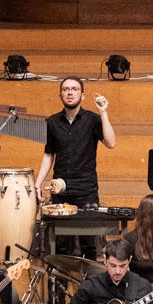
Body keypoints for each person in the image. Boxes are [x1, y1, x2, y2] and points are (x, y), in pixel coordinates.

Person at [37, 77, 116, 208]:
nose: (70, 93)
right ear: (60, 96)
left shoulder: (93, 119)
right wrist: (37, 184)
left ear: (82, 95)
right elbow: (48, 155)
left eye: (75, 89)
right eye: (66, 89)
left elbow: (111, 143)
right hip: (60, 188)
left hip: (86, 191)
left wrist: (103, 112)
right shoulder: (52, 121)